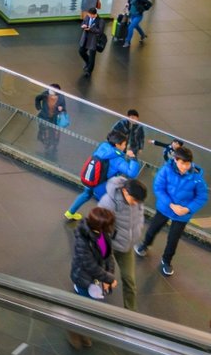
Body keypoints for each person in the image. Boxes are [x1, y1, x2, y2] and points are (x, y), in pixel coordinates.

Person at [135, 147, 207, 277]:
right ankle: (145, 245)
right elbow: (158, 188)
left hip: (182, 215)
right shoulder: (166, 170)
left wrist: (187, 209)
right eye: (182, 163)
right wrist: (171, 204)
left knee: (173, 239)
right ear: (175, 160)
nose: (185, 167)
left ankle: (166, 260)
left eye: (188, 163)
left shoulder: (197, 178)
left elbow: (201, 197)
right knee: (153, 229)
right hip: (165, 208)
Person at [67, 207, 118, 348]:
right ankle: (73, 329)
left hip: (97, 278)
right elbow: (91, 266)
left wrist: (109, 276)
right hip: (83, 279)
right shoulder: (83, 241)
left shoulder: (102, 235)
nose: (112, 228)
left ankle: (83, 330)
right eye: (109, 225)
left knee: (91, 305)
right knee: (83, 305)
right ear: (100, 226)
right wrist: (109, 279)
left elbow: (108, 256)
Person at [65, 129, 140, 221]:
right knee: (106, 205)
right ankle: (98, 225)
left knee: (86, 194)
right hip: (101, 184)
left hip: (91, 177)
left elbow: (113, 152)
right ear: (117, 145)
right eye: (124, 144)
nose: (126, 146)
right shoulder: (117, 160)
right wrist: (133, 158)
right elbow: (132, 173)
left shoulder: (103, 147)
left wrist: (121, 152)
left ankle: (70, 212)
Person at [98, 177, 147, 311]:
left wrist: (137, 231)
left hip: (127, 246)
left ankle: (130, 313)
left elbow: (140, 217)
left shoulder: (137, 200)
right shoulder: (108, 203)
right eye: (134, 200)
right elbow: (100, 232)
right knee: (103, 275)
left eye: (139, 201)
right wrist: (105, 256)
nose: (136, 203)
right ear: (125, 191)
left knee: (129, 279)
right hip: (109, 246)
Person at [78, 7, 104, 77]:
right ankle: (88, 62)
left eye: (90, 15)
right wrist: (83, 25)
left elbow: (100, 31)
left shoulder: (100, 21)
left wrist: (90, 29)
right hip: (86, 38)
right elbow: (83, 22)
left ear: (94, 14)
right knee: (81, 51)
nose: (88, 16)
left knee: (92, 56)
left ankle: (89, 71)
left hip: (93, 40)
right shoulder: (87, 17)